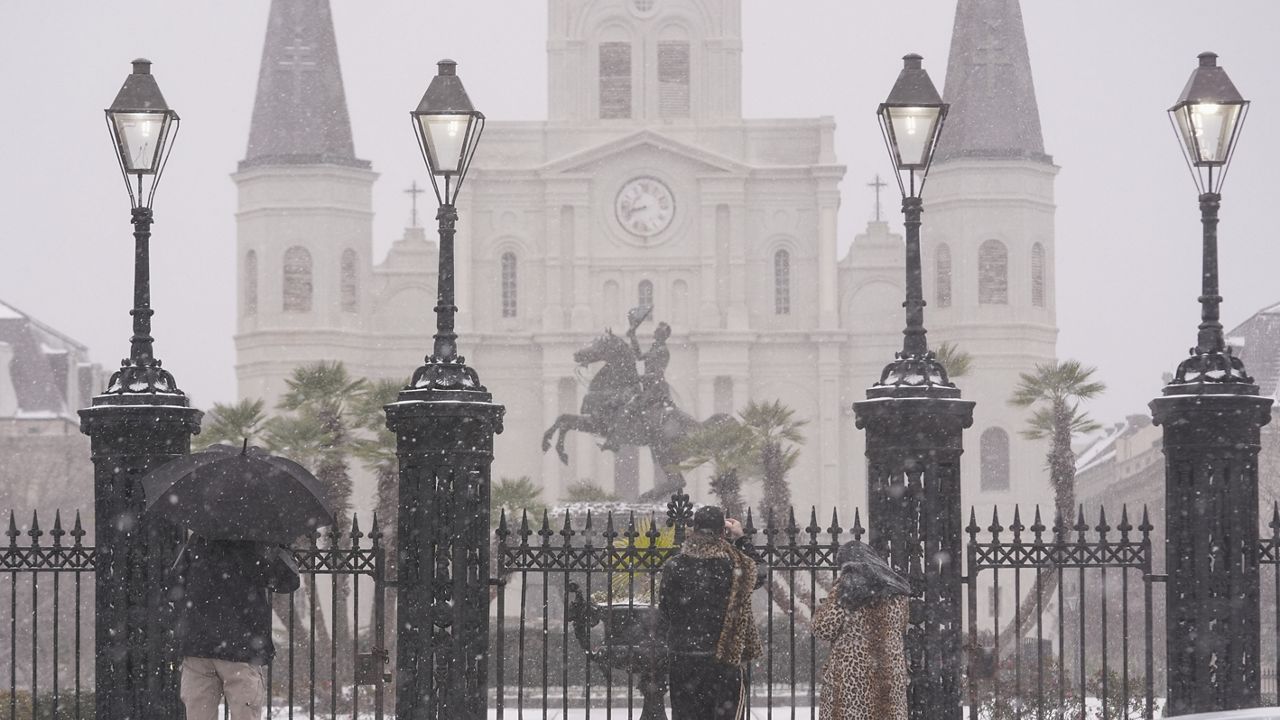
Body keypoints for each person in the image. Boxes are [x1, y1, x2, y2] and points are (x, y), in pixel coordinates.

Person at [171, 537, 300, 720]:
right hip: (240, 645)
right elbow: (288, 581)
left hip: (198, 645)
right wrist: (281, 548)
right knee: (245, 711)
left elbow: (174, 583)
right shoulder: (257, 540)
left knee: (199, 712)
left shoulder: (200, 538)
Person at [658, 506, 765, 720]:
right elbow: (760, 573)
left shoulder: (674, 565)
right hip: (723, 656)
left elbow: (665, 610)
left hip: (683, 657)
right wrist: (742, 538)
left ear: (694, 529)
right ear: (722, 532)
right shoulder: (734, 565)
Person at [812, 540, 912, 720]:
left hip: (852, 675)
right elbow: (901, 626)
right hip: (888, 673)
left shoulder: (846, 587)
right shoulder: (897, 591)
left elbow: (823, 628)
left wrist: (824, 607)